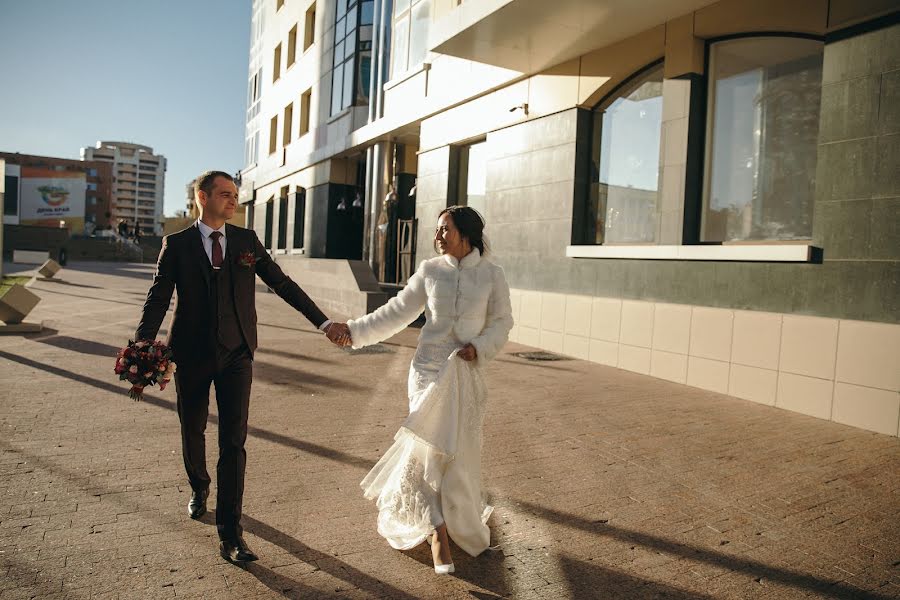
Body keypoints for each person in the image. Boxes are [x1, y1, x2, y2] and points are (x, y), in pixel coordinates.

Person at [133, 170, 349, 563]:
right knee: (192, 428)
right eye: (225, 194)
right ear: (203, 197)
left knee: (233, 442)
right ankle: (199, 485)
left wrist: (323, 322)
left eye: (236, 195)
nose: (234, 201)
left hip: (237, 354)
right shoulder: (177, 245)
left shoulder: (246, 241)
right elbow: (158, 298)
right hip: (191, 355)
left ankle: (231, 535)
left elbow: (282, 284)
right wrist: (144, 343)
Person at [333, 205, 513, 574]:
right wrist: (355, 331)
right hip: (427, 373)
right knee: (424, 452)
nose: (438, 235)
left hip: (466, 376)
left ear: (467, 233)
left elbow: (503, 322)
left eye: (445, 229)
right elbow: (397, 311)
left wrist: (479, 347)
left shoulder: (493, 276)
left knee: (455, 457)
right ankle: (435, 531)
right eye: (437, 229)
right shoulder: (429, 271)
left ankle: (455, 521)